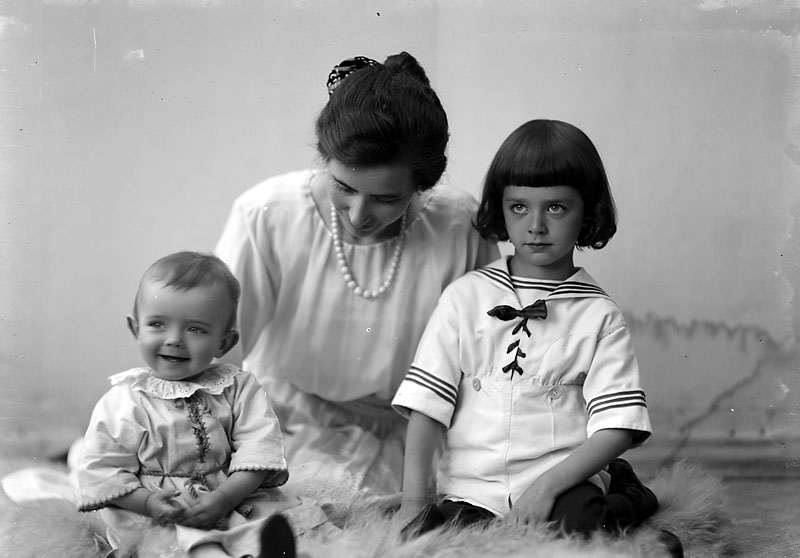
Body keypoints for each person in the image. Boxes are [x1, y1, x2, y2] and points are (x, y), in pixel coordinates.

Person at [392, 120, 683, 557]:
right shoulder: (463, 298)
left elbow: (618, 425)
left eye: (556, 208)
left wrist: (547, 486)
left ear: (588, 211)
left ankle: (630, 497)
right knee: (441, 542)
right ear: (500, 208)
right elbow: (426, 405)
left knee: (581, 525)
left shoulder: (599, 315)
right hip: (474, 489)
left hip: (562, 482)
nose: (536, 226)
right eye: (519, 207)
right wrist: (414, 503)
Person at [215, 52, 499, 496]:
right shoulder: (268, 214)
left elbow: (485, 360)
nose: (358, 215)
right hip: (291, 423)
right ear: (323, 158)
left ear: (422, 186)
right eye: (343, 187)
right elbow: (221, 347)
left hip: (416, 431)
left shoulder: (459, 225)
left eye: (386, 199)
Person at [77, 252, 297, 558]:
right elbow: (103, 469)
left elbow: (259, 451)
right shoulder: (124, 400)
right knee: (175, 540)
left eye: (195, 329)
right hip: (158, 506)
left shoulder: (238, 387)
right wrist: (146, 502)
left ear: (224, 343)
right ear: (136, 328)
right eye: (157, 324)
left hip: (229, 493)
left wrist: (224, 498)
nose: (174, 340)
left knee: (272, 520)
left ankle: (263, 548)